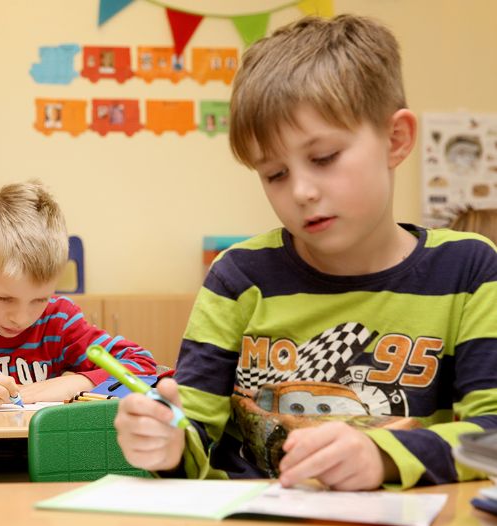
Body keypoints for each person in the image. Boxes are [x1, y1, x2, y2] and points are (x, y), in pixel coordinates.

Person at [114, 15, 497, 491]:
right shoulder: (237, 278)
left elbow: (493, 436)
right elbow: (194, 440)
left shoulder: (469, 269)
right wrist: (166, 446)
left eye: (323, 158)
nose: (300, 191)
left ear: (395, 140)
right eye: (274, 174)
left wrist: (382, 456)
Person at [0, 181, 158, 409]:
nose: (20, 318)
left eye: (39, 300)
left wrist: (76, 382)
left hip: (40, 456)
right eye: (4, 298)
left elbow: (142, 365)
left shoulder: (59, 319)